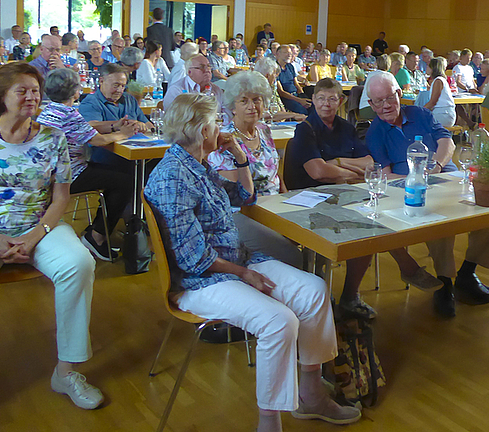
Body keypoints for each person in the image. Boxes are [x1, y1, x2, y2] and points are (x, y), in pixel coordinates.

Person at [144, 93, 361, 432]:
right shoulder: (173, 175)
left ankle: (311, 395)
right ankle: (269, 422)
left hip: (236, 262)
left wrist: (239, 156)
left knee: (314, 290)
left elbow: (246, 197)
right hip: (200, 281)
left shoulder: (196, 165)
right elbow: (193, 259)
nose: (221, 129)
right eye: (216, 123)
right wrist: (244, 273)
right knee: (279, 321)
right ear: (203, 131)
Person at [0, 62, 103, 431]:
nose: (32, 97)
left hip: (38, 226)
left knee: (79, 263)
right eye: (22, 90)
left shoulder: (52, 138)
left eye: (35, 90)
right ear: (1, 98)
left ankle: (66, 371)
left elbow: (61, 198)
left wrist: (34, 235)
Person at [283, 78, 441, 318]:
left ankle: (352, 296)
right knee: (367, 224)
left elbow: (369, 163)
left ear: (341, 101)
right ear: (312, 101)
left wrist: (336, 163)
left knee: (376, 216)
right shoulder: (305, 129)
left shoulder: (346, 127)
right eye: (321, 99)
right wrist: (344, 173)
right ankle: (400, 269)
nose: (326, 104)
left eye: (332, 99)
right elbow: (317, 172)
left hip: (345, 193)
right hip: (309, 197)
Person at [364, 72, 489, 317]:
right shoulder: (375, 132)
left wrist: (436, 167)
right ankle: (445, 283)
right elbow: (386, 176)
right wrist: (417, 181)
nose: (385, 106)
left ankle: (468, 272)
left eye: (389, 98)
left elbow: (447, 142)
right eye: (378, 101)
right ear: (371, 104)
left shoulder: (421, 114)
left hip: (447, 178)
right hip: (411, 190)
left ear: (399, 94)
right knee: (440, 221)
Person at [37, 67, 137, 261]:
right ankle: (97, 236)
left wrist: (114, 126)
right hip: (69, 175)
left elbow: (87, 128)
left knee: (117, 176)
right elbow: (97, 140)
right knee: (126, 182)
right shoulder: (69, 114)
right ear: (76, 91)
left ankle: (100, 231)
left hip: (50, 173)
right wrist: (123, 134)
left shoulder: (48, 111)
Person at [205, 71, 302, 268]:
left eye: (257, 100)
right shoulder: (225, 140)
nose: (252, 106)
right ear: (232, 107)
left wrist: (289, 203)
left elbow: (275, 174)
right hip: (244, 213)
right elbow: (238, 195)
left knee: (312, 237)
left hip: (275, 206)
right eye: (244, 101)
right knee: (292, 255)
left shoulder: (264, 130)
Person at [78, 63, 153, 173]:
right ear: (101, 81)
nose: (120, 90)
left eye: (123, 86)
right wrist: (117, 125)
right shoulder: (91, 102)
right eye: (116, 85)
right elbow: (90, 126)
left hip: (135, 154)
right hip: (105, 158)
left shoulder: (129, 99)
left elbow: (150, 125)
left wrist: (141, 125)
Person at [254, 57, 306, 123]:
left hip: (279, 123)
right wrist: (293, 115)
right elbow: (267, 114)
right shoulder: (255, 90)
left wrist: (286, 117)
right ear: (267, 76)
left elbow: (281, 108)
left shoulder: (271, 87)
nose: (276, 76)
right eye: (275, 73)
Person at [275, 45, 310, 115]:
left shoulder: (290, 66)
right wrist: (300, 100)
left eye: (290, 53)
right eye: (286, 53)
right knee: (303, 112)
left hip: (296, 95)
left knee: (312, 106)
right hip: (286, 98)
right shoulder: (275, 68)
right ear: (278, 54)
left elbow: (296, 83)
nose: (289, 55)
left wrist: (302, 95)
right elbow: (281, 92)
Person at [424, 56, 457, 127]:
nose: (426, 67)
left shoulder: (438, 81)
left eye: (428, 66)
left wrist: (420, 110)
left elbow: (433, 102)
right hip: (441, 113)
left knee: (419, 122)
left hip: (443, 114)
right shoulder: (437, 80)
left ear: (433, 68)